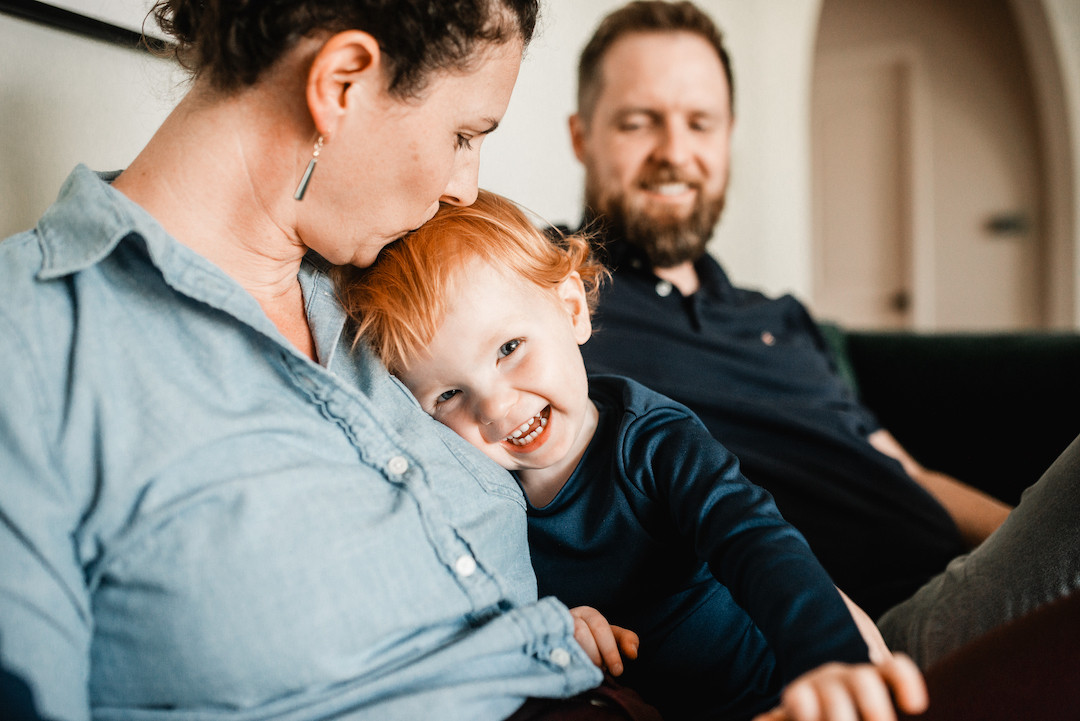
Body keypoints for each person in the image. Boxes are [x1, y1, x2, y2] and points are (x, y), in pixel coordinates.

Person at [0, 2, 660, 719]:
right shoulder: (29, 344)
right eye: (463, 135)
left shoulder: (389, 288)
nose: (463, 188)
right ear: (341, 83)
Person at [564, 0, 1080, 667]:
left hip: (967, 585)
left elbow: (907, 471)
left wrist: (1033, 545)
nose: (676, 152)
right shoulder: (548, 292)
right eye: (639, 122)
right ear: (582, 136)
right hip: (860, 643)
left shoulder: (778, 315)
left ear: (728, 137)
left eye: (700, 123)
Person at [342, 189, 929, 721]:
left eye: (510, 347)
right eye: (448, 395)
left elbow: (755, 540)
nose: (495, 407)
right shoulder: (477, 500)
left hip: (785, 690)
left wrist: (830, 658)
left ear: (572, 309)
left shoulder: (651, 440)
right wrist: (555, 627)